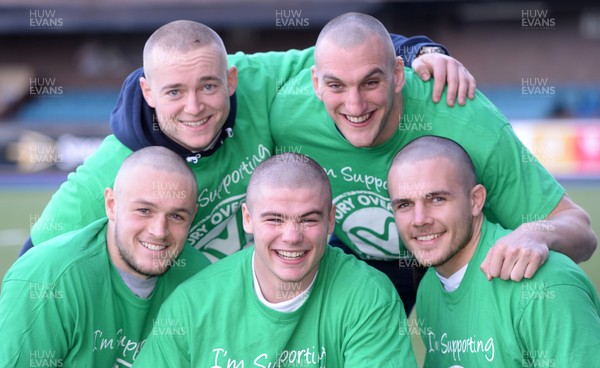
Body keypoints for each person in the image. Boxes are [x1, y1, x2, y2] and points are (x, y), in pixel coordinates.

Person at [24, 19, 476, 261]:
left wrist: (420, 50)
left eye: (208, 86)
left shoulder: (260, 82)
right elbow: (34, 259)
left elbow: (349, 50)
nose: (195, 107)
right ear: (148, 92)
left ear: (231, 78)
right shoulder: (119, 165)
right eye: (174, 92)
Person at [268, 12, 596, 310]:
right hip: (362, 257)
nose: (355, 105)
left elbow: (579, 230)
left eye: (371, 82)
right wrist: (422, 48)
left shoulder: (469, 124)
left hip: (461, 259)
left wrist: (536, 234)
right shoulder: (287, 115)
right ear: (315, 84)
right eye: (336, 85)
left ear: (398, 74)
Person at [132, 153, 418, 367]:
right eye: (274, 219)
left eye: (308, 219)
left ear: (331, 219)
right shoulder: (192, 303)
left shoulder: (368, 296)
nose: (292, 237)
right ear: (248, 219)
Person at [387, 136, 600, 367]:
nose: (420, 220)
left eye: (437, 199)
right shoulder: (430, 287)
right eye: (405, 204)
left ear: (476, 201)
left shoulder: (545, 286)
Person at [0, 146, 210, 367]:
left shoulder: (200, 279)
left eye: (176, 216)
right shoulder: (48, 278)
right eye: (144, 211)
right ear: (111, 205)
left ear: (192, 216)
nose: (159, 231)